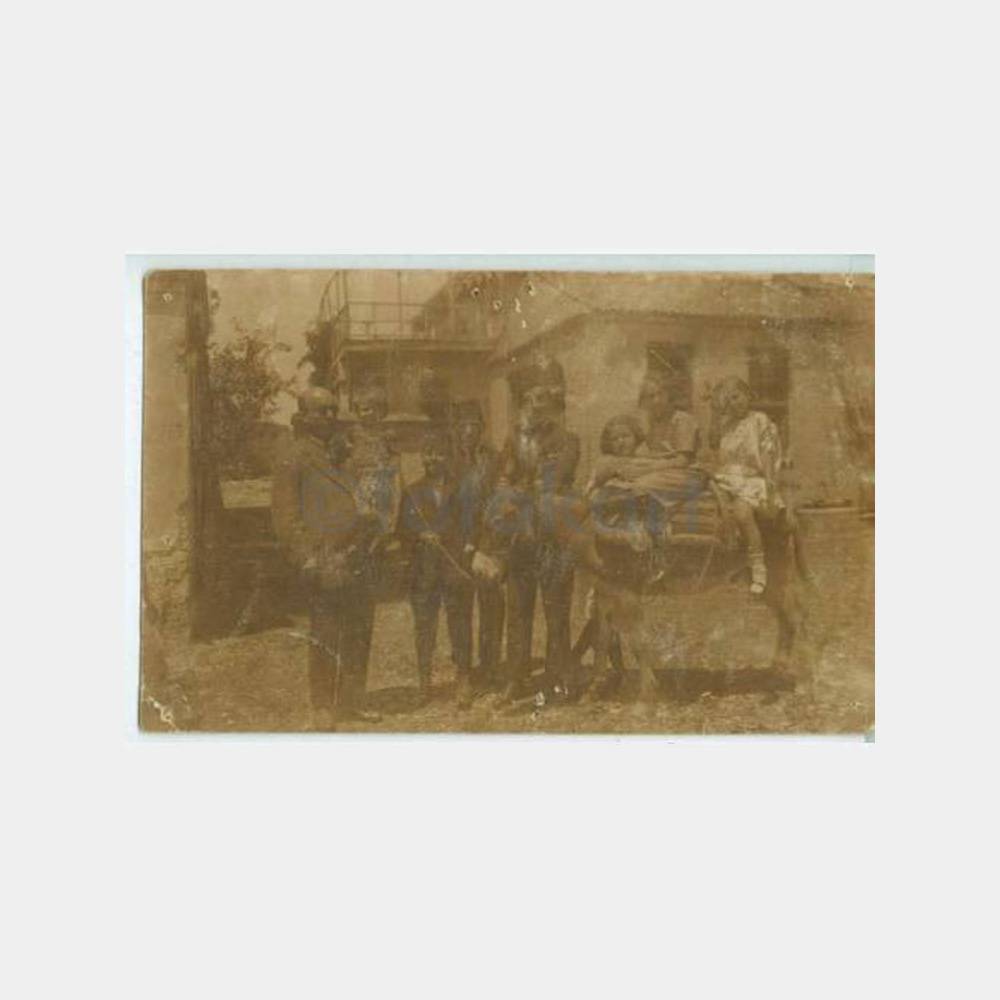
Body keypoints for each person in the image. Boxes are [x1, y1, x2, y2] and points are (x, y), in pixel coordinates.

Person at [271, 387, 381, 728]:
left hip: (357, 557)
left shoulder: (343, 453)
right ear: (305, 416)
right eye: (322, 411)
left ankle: (352, 701)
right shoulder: (294, 457)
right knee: (325, 635)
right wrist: (309, 559)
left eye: (334, 410)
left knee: (359, 631)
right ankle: (322, 706)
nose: (331, 417)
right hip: (325, 561)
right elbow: (286, 518)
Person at [497, 356, 582, 700]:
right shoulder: (514, 440)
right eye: (529, 399)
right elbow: (505, 478)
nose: (535, 406)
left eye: (542, 399)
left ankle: (558, 677)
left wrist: (520, 490)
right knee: (517, 608)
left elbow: (554, 482)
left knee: (556, 609)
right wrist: (509, 491)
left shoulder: (569, 440)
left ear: (553, 402)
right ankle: (516, 677)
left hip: (554, 534)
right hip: (521, 535)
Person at [399, 431, 476, 708]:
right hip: (424, 571)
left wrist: (453, 540)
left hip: (454, 567)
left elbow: (470, 526)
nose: (432, 459)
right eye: (428, 453)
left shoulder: (461, 489)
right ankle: (424, 682)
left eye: (438, 453)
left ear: (448, 457)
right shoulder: (411, 491)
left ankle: (463, 679)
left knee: (460, 624)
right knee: (424, 627)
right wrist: (419, 535)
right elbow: (402, 531)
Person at [709, 376, 784, 595]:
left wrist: (770, 485)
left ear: (748, 395)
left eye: (737, 396)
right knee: (712, 508)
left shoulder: (759, 420)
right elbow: (712, 443)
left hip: (752, 479)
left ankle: (758, 569)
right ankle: (728, 563)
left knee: (742, 512)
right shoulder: (726, 425)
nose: (734, 403)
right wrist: (714, 413)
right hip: (726, 479)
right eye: (728, 400)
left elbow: (768, 452)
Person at [450, 400, 504, 690]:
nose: (469, 431)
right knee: (460, 609)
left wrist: (485, 545)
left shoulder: (493, 460)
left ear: (482, 428)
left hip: (487, 543)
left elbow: (499, 501)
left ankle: (490, 668)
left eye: (474, 425)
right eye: (463, 425)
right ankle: (463, 672)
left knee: (491, 606)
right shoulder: (449, 460)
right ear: (456, 428)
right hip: (456, 545)